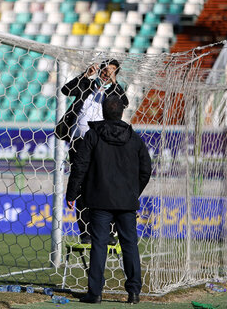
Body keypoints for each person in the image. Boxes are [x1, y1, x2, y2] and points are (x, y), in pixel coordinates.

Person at [65, 95, 152, 304]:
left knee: (99, 245)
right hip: (126, 202)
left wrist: (72, 194)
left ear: (103, 111)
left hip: (99, 200)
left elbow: (80, 166)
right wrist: (133, 192)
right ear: (122, 112)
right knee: (129, 245)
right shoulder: (134, 138)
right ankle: (133, 292)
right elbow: (146, 170)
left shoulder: (92, 136)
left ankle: (95, 293)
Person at [61, 59, 129, 244]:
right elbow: (66, 91)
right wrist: (85, 74)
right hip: (78, 141)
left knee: (103, 186)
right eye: (105, 69)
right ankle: (85, 233)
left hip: (101, 143)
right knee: (80, 186)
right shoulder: (87, 84)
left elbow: (125, 102)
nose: (107, 73)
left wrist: (114, 82)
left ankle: (107, 232)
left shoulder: (113, 94)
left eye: (112, 71)